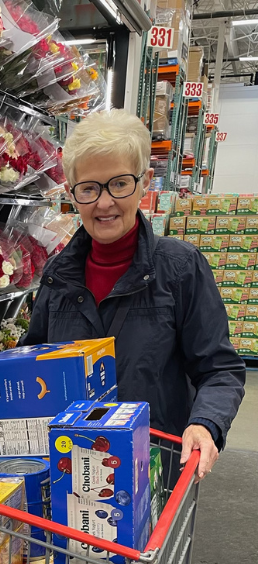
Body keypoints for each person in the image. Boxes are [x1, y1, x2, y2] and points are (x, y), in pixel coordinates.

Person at [22, 109, 245, 481]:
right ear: (71, 194)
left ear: (145, 183)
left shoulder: (180, 268)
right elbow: (33, 362)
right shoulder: (58, 277)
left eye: (120, 184)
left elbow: (219, 370)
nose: (104, 203)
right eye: (89, 189)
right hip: (73, 472)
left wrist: (205, 424)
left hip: (154, 469)